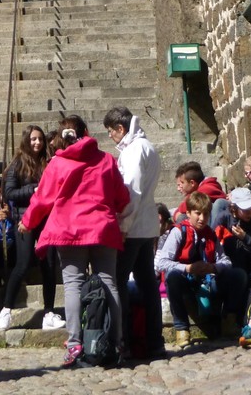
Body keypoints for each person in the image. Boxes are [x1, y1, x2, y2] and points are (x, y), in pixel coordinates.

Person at [20, 114, 129, 369]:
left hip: (68, 230)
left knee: (72, 285)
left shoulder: (58, 163)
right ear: (86, 131)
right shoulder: (106, 160)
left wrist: (27, 221)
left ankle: (75, 344)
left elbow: (43, 199)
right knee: (109, 282)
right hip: (102, 228)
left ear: (61, 136)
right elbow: (121, 197)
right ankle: (115, 342)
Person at [103, 106, 165, 360]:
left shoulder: (133, 151)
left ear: (120, 128)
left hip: (135, 227)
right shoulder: (147, 146)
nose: (109, 137)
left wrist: (123, 226)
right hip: (147, 225)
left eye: (111, 131)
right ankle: (153, 341)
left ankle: (125, 339)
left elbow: (132, 192)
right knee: (148, 284)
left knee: (119, 282)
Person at [156, 191, 248, 349]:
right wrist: (187, 268)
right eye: (197, 214)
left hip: (207, 281)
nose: (202, 219)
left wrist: (213, 267)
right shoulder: (179, 232)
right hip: (186, 281)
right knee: (172, 277)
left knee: (238, 275)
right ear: (188, 213)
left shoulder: (210, 234)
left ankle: (228, 320)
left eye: (206, 214)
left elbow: (225, 261)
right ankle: (182, 328)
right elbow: (162, 263)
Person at [0, 126, 63, 332]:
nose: (37, 143)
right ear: (26, 140)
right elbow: (9, 193)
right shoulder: (17, 163)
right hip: (24, 218)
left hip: (46, 218)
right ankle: (6, 309)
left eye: (40, 139)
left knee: (49, 265)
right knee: (23, 263)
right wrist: (33, 189)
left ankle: (49, 312)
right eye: (33, 139)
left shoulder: (48, 162)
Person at [212, 187, 251, 276]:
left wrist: (245, 238)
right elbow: (213, 242)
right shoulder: (223, 218)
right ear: (234, 208)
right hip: (228, 262)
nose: (250, 212)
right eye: (245, 210)